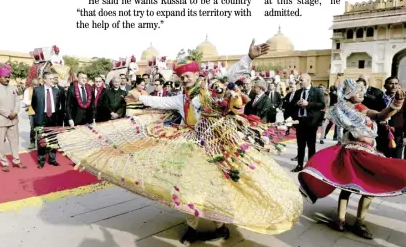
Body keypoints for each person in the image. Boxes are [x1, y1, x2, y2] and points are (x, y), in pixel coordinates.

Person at [41, 39, 303, 246]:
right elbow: (161, 102)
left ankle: (212, 226)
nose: (183, 79)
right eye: (181, 77)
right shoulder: (183, 97)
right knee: (190, 186)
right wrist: (139, 96)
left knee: (219, 186)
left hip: (217, 146)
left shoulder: (210, 89)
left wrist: (250, 57)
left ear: (196, 74)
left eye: (187, 76)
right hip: (193, 146)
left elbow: (230, 75)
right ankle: (201, 226)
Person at [298, 79, 406, 239]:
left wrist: (396, 103)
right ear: (348, 94)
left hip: (368, 152)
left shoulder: (361, 108)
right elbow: (352, 123)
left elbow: (381, 115)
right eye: (357, 90)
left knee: (368, 188)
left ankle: (359, 223)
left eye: (362, 90)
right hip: (352, 152)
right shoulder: (343, 109)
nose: (362, 93)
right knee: (348, 187)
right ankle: (341, 220)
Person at [0, 64, 27, 172]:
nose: (7, 79)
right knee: (0, 143)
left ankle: (16, 161)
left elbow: (17, 100)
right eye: (5, 77)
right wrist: (8, 114)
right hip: (0, 121)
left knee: (14, 141)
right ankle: (4, 162)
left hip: (13, 120)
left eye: (8, 77)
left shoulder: (12, 87)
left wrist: (14, 112)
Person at [290, 73, 325, 172]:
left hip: (311, 122)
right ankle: (299, 165)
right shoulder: (298, 92)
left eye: (301, 80)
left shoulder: (317, 91)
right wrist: (296, 104)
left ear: (308, 80)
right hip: (300, 122)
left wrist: (308, 104)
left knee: (311, 145)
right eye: (299, 80)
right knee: (300, 145)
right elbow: (291, 105)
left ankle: (311, 166)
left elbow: (322, 105)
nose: (299, 82)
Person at [32, 72, 61, 168]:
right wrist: (39, 114)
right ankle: (41, 160)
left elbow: (58, 105)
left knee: (53, 139)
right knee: (41, 140)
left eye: (54, 78)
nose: (53, 80)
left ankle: (52, 159)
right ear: (44, 80)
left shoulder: (56, 91)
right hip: (41, 117)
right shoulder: (37, 90)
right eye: (51, 78)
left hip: (53, 118)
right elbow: (33, 104)